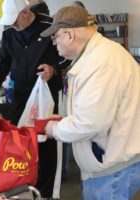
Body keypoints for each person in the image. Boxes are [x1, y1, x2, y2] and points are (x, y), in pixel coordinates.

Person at [41, 6, 140, 199]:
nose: (54, 43)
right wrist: (64, 120)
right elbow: (94, 110)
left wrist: (55, 129)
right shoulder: (97, 55)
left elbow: (90, 122)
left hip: (112, 170)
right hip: (108, 165)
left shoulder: (101, 62)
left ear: (69, 34)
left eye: (55, 37)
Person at [0, 0, 68, 198]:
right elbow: (1, 65)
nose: (12, 25)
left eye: (14, 20)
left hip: (46, 95)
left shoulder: (51, 26)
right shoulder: (9, 34)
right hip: (20, 95)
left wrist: (53, 69)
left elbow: (68, 57)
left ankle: (46, 192)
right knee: (22, 141)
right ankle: (24, 185)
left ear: (25, 13)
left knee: (45, 142)